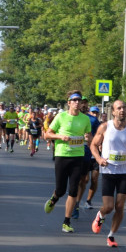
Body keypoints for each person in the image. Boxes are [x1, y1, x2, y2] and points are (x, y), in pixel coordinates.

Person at [89, 100, 126, 248]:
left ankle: (111, 235)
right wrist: (98, 159)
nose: (122, 110)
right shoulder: (105, 127)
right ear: (113, 111)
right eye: (119, 108)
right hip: (108, 170)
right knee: (109, 206)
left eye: (124, 107)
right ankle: (100, 215)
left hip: (124, 170)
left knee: (120, 206)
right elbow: (93, 145)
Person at [42, 91, 92, 233]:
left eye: (79, 100)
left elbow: (89, 136)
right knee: (61, 189)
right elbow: (47, 134)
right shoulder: (61, 116)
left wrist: (89, 138)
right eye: (74, 100)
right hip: (62, 155)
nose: (77, 102)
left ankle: (66, 222)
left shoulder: (85, 119)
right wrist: (59, 136)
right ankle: (54, 198)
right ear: (69, 103)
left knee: (73, 189)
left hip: (78, 156)